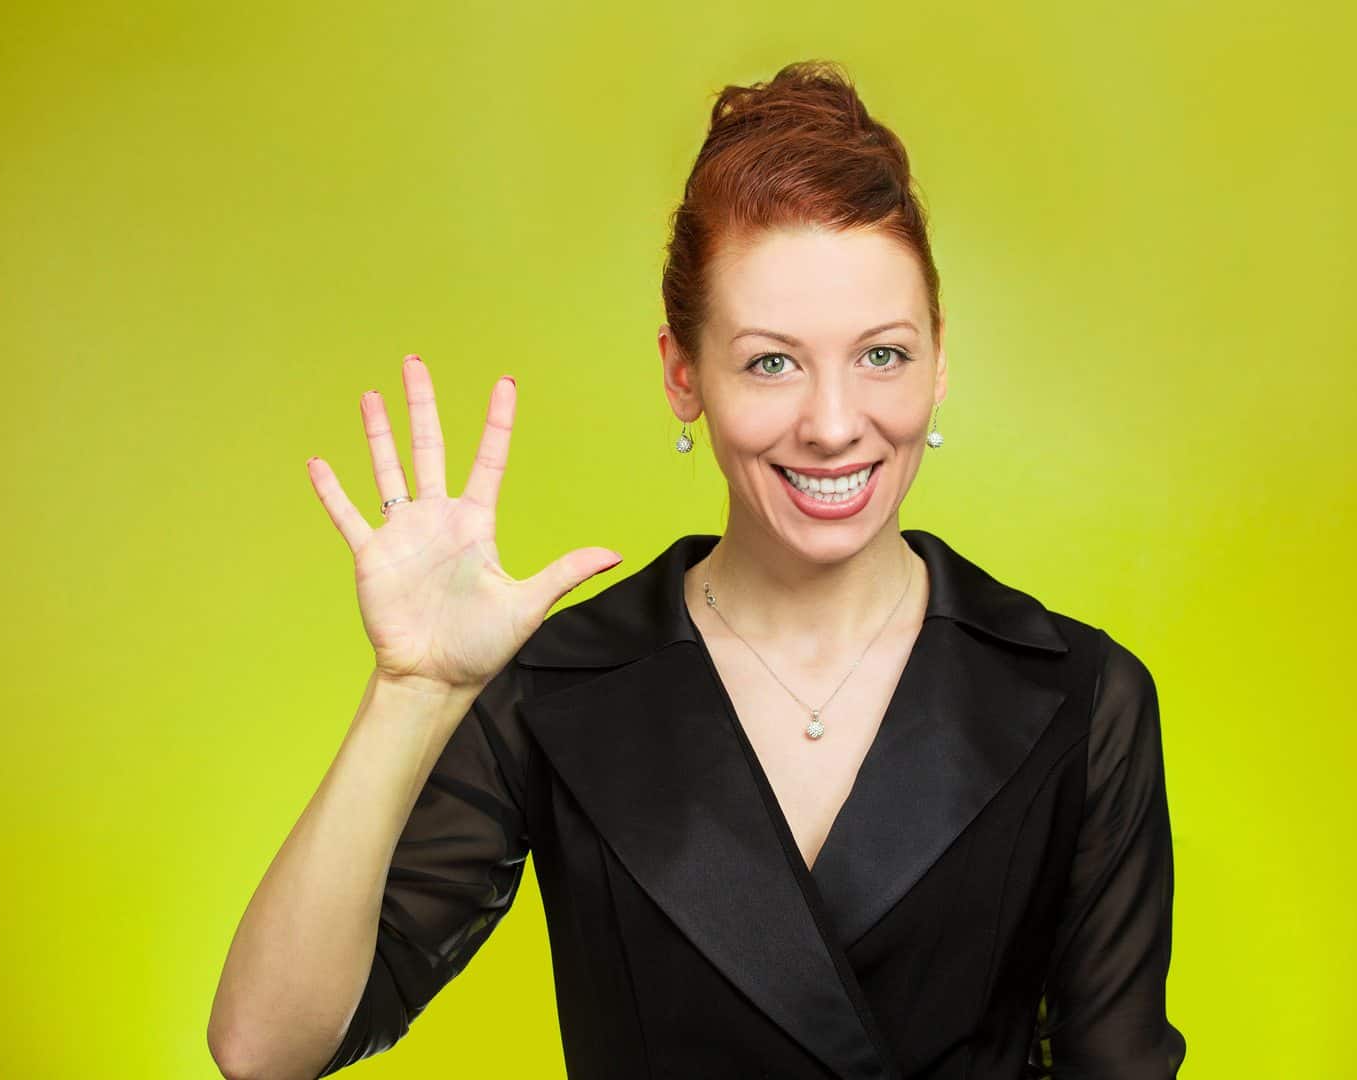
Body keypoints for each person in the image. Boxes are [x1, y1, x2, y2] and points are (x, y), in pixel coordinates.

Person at [208, 59, 1186, 1080]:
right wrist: (412, 693)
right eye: (772, 361)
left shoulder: (1080, 694)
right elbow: (265, 1049)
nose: (835, 423)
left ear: (940, 358)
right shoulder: (557, 690)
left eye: (882, 355)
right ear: (685, 375)